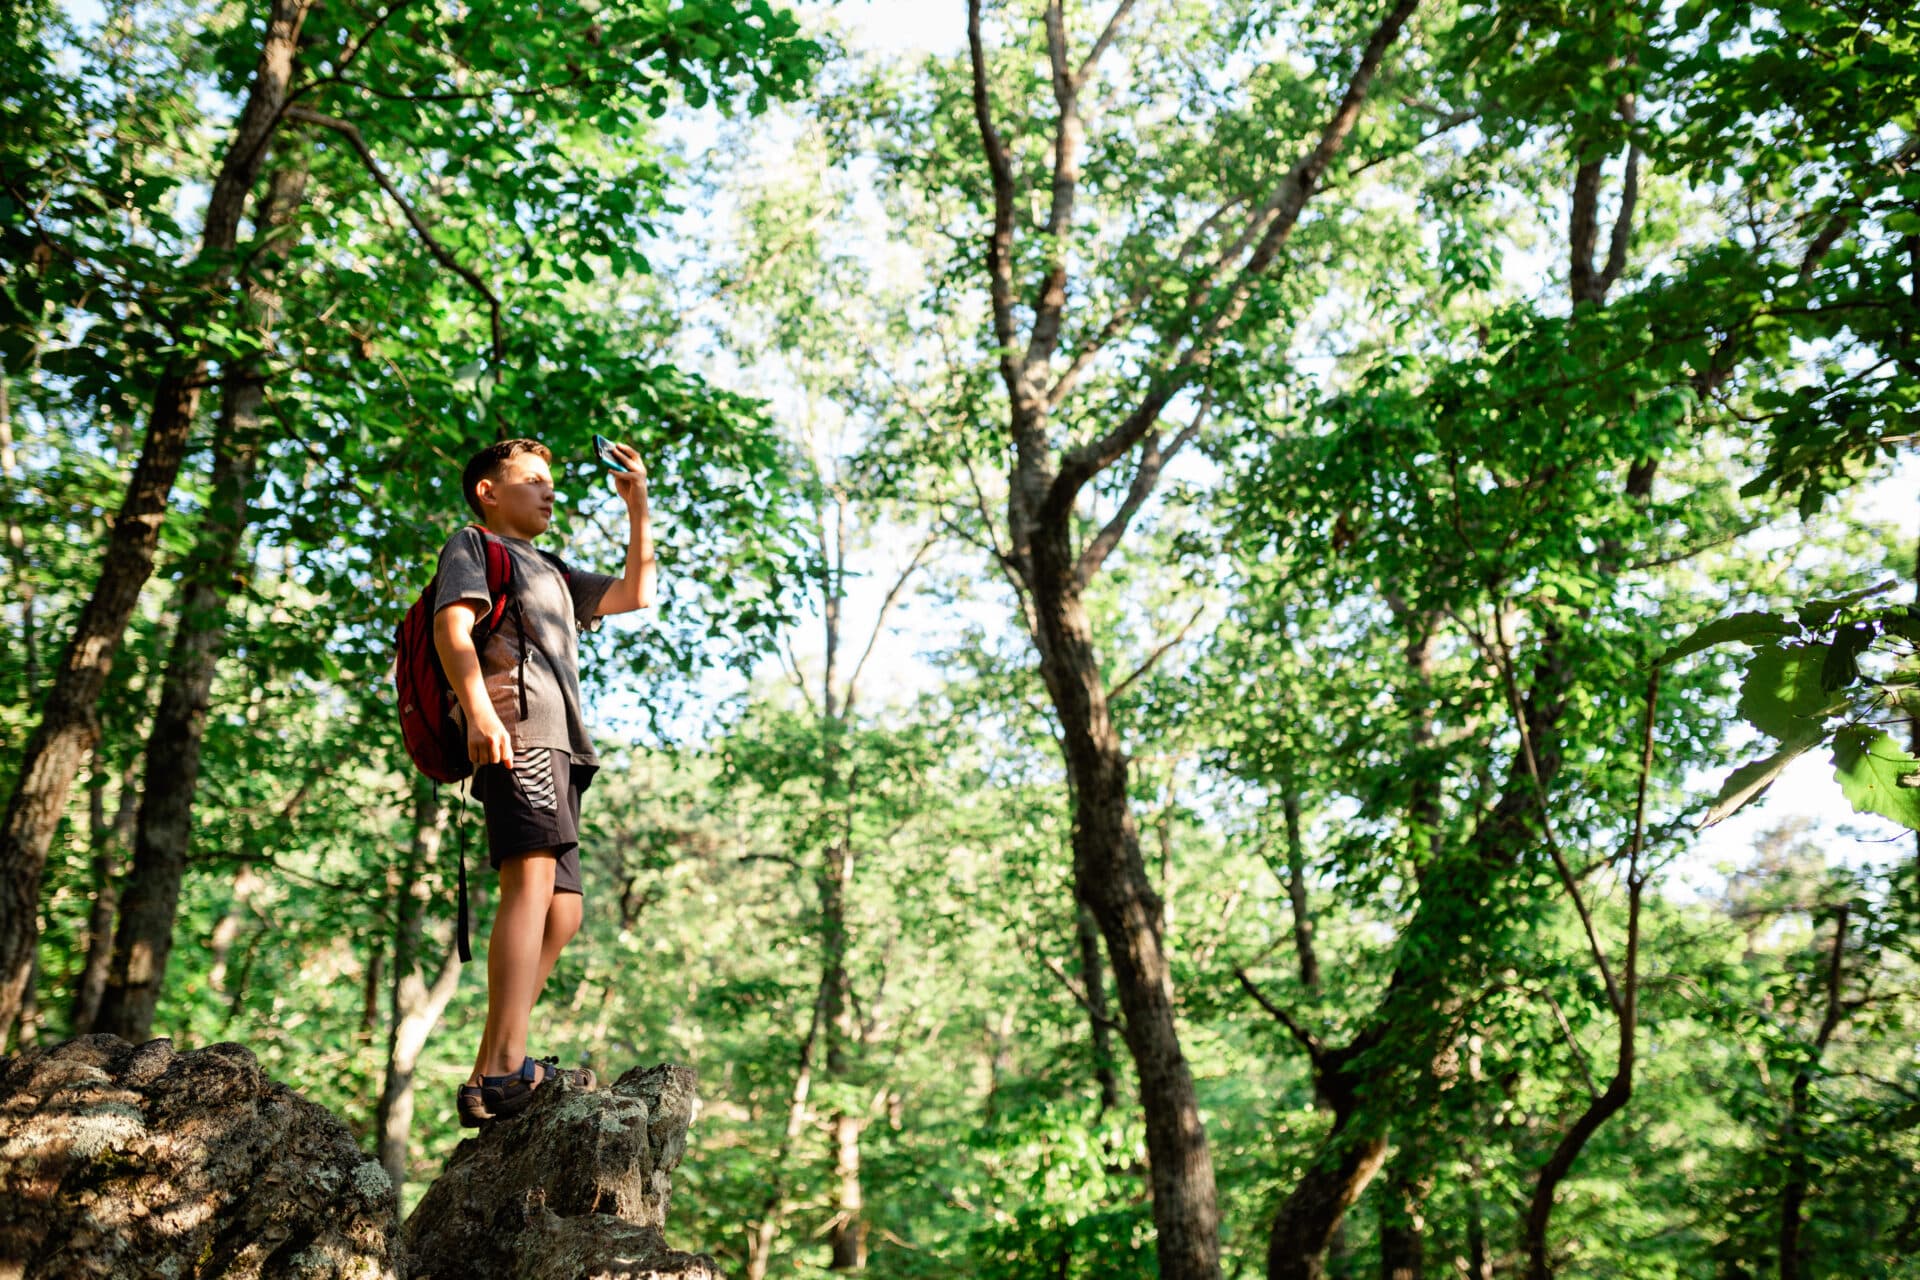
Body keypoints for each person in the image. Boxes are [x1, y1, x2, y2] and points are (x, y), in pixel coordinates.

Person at [431, 436, 656, 1126]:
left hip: (562, 747)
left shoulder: (551, 568)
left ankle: (485, 1075)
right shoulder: (473, 546)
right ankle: (506, 1068)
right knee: (529, 887)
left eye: (550, 481)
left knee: (565, 910)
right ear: (489, 493)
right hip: (515, 732)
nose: (548, 491)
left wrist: (638, 504)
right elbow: (452, 628)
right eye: (532, 480)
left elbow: (633, 595)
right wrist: (476, 713)